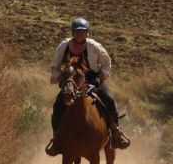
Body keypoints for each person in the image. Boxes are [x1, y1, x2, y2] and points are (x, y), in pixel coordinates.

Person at [45, 17, 130, 156]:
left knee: (109, 99)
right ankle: (57, 138)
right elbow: (54, 66)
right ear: (72, 33)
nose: (79, 34)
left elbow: (106, 63)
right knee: (58, 105)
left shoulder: (94, 46)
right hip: (71, 80)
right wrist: (60, 78)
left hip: (93, 79)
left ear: (87, 33)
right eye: (77, 32)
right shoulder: (64, 46)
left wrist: (99, 78)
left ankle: (116, 133)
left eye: (82, 32)